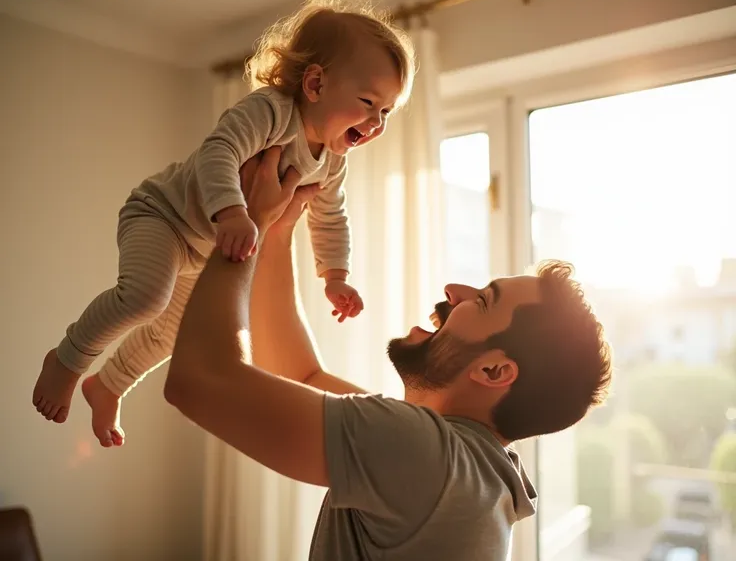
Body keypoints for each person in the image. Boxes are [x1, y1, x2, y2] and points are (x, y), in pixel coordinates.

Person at [163, 147, 614, 561]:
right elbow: (303, 375)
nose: (454, 290)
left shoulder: (428, 455)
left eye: (482, 300)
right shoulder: (471, 468)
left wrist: (248, 225)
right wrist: (278, 233)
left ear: (494, 370)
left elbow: (198, 380)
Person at [31, 0, 416, 448]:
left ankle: (109, 384)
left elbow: (330, 217)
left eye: (388, 111)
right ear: (315, 84)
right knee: (146, 298)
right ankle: (68, 359)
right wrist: (234, 212)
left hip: (205, 247)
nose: (377, 123)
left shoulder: (333, 160)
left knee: (173, 333)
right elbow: (219, 151)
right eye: (369, 103)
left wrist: (335, 275)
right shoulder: (272, 111)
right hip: (164, 216)